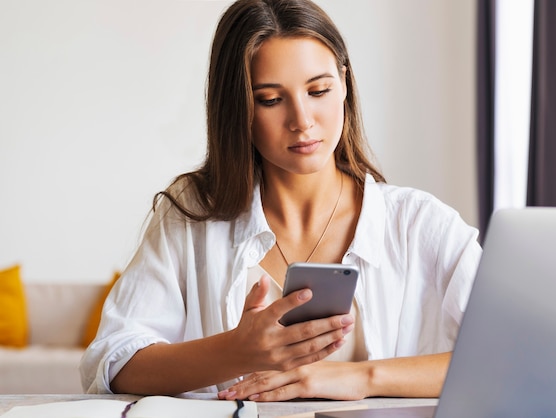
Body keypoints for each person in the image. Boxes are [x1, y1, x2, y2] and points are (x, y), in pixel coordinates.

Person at [79, 0, 482, 401]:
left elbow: (517, 356)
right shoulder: (192, 215)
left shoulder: (420, 224)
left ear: (343, 83)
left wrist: (362, 378)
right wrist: (235, 351)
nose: (302, 120)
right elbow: (113, 363)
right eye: (271, 99)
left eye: (319, 90)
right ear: (238, 108)